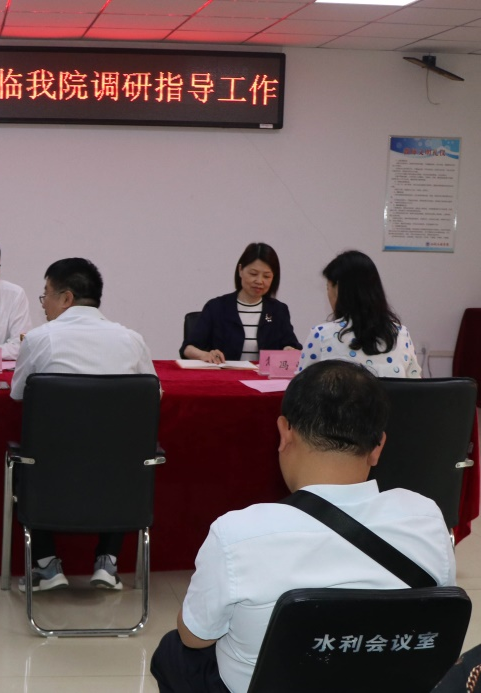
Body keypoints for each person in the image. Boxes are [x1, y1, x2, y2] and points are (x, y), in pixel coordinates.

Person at [150, 360, 454, 693]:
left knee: (173, 651)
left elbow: (194, 637)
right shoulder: (426, 518)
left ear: (284, 432)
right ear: (377, 447)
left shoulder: (237, 534)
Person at [10, 257, 156, 591]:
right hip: (119, 475)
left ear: (66, 298)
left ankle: (47, 566)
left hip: (54, 471)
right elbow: (152, 396)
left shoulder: (40, 338)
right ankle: (108, 562)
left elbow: (18, 394)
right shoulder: (131, 339)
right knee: (125, 455)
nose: (43, 304)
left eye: (46, 294)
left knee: (28, 459)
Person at [298, 249, 421, 378]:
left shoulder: (321, 336)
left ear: (338, 289)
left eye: (328, 287)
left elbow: (300, 386)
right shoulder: (401, 334)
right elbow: (414, 383)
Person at [181, 242, 300, 364]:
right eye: (253, 274)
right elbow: (188, 348)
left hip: (263, 375)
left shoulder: (278, 310)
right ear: (240, 270)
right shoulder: (216, 307)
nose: (259, 281)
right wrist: (205, 355)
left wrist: (289, 350)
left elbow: (291, 344)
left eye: (266, 276)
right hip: (224, 374)